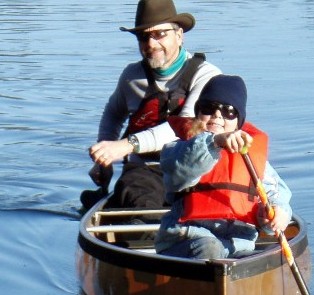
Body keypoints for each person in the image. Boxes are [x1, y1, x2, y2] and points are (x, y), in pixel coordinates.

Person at [81, 0, 222, 213]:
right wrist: (105, 159)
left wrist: (126, 145)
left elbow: (183, 129)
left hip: (194, 170)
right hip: (144, 173)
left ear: (179, 34)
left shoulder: (207, 76)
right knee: (138, 201)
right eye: (144, 37)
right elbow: (113, 114)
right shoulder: (131, 77)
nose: (151, 44)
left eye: (160, 34)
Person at [154, 75, 292, 259]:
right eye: (209, 108)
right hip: (185, 241)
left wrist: (277, 213)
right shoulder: (178, 150)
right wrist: (215, 142)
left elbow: (277, 195)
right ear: (197, 115)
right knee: (209, 248)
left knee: (268, 257)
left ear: (238, 122)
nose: (218, 115)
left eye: (229, 111)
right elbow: (182, 168)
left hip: (238, 246)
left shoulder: (252, 159)